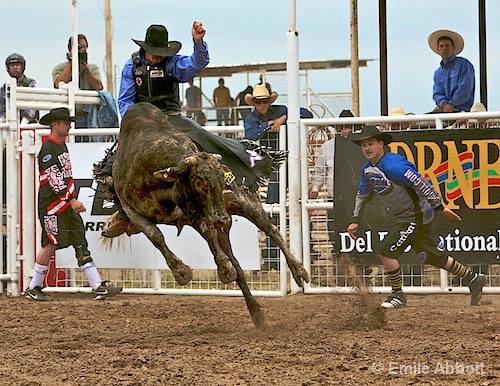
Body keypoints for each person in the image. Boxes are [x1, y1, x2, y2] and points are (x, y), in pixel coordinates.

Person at [104, 23, 282, 236]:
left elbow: (195, 64)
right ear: (147, 49)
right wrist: (134, 124)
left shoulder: (172, 63)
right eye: (156, 53)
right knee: (113, 164)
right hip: (143, 122)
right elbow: (125, 101)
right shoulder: (131, 67)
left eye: (162, 53)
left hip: (170, 118)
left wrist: (198, 43)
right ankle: (125, 212)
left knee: (202, 137)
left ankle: (226, 180)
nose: (159, 57)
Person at [346, 125, 486, 308]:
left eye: (370, 143)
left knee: (385, 250)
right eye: (363, 145)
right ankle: (473, 278)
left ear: (381, 144)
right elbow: (362, 195)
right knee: (432, 256)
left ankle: (398, 294)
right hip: (408, 216)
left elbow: (420, 182)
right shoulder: (368, 169)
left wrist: (439, 207)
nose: (367, 148)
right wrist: (355, 220)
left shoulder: (394, 165)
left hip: (414, 216)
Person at [25, 108, 122, 301]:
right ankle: (33, 287)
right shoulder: (48, 149)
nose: (69, 126)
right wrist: (71, 200)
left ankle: (97, 285)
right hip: (52, 207)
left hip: (64, 206)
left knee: (79, 240)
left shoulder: (60, 146)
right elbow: (54, 179)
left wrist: (70, 201)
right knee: (50, 243)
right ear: (55, 125)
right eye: (65, 122)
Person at [244, 84, 313, 203]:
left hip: (290, 158)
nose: (262, 105)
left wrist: (285, 117)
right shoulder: (251, 118)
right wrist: (267, 125)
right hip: (274, 161)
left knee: (297, 193)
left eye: (265, 101)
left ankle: (299, 219)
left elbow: (307, 114)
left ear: (269, 102)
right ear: (254, 103)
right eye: (258, 102)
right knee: (275, 189)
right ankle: (275, 218)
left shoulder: (280, 110)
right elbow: (250, 135)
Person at [52, 34, 104, 132]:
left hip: (89, 117)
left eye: (83, 47)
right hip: (68, 117)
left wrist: (86, 71)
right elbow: (58, 84)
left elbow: (99, 86)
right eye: (78, 47)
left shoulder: (93, 68)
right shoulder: (60, 68)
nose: (81, 50)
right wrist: (70, 64)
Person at [428, 29, 475, 113]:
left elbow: (464, 90)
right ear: (438, 49)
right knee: (419, 123)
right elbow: (437, 93)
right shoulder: (438, 73)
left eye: (447, 46)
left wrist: (449, 105)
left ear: (453, 48)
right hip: (444, 110)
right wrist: (444, 104)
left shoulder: (464, 64)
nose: (444, 48)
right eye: (441, 46)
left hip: (461, 111)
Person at [0, 53, 38, 124]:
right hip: (11, 123)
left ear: (22, 67)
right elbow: (2, 108)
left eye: (17, 65)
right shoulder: (5, 87)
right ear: (8, 68)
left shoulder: (30, 83)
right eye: (12, 65)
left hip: (29, 123)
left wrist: (23, 123)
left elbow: (32, 106)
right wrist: (3, 120)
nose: (15, 67)